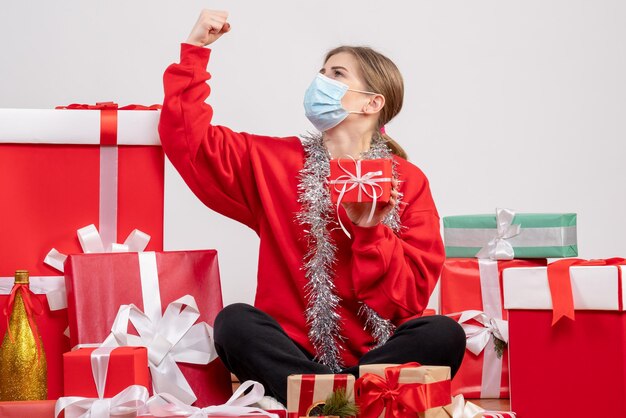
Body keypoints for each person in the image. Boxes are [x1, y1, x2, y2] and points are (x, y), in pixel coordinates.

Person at [159, 9, 465, 406]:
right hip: (295, 354)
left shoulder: (408, 180)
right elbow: (190, 140)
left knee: (443, 333)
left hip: (379, 356)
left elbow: (408, 297)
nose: (321, 81)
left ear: (373, 102)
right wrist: (195, 50)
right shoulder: (274, 161)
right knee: (234, 323)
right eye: (322, 73)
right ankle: (350, 400)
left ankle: (327, 399)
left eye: (336, 74)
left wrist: (372, 232)